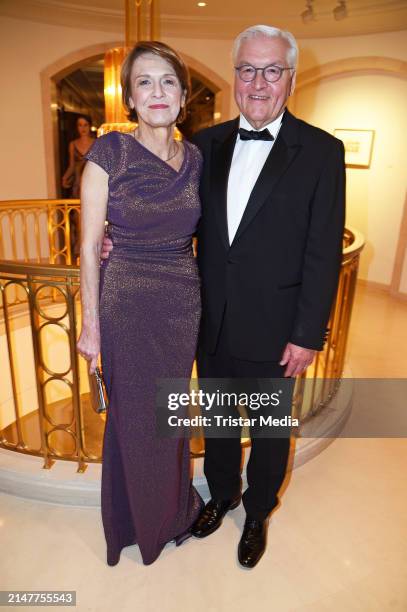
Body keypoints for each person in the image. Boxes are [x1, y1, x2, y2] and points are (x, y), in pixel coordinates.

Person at [101, 25, 346, 568]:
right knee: (216, 422)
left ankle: (257, 510)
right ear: (234, 76)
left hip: (278, 326)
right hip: (206, 317)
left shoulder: (323, 152)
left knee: (268, 428)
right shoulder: (202, 146)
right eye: (246, 69)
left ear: (290, 78)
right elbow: (168, 212)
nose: (257, 82)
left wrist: (307, 334)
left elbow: (322, 251)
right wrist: (116, 237)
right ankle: (221, 495)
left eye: (271, 70)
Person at [76, 41, 204, 566]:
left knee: (169, 416)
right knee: (134, 417)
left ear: (182, 95)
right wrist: (91, 324)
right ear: (129, 97)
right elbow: (87, 247)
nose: (157, 92)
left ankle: (175, 511)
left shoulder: (195, 158)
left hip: (181, 301)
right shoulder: (109, 153)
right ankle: (135, 522)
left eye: (167, 81)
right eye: (145, 82)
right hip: (125, 300)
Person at [62, 114, 94, 259]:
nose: (83, 128)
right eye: (80, 125)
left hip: (93, 184)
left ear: (90, 126)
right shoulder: (72, 144)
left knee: (94, 217)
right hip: (77, 186)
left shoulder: (97, 142)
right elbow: (72, 165)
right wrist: (65, 177)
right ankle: (80, 250)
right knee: (78, 219)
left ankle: (94, 249)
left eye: (85, 125)